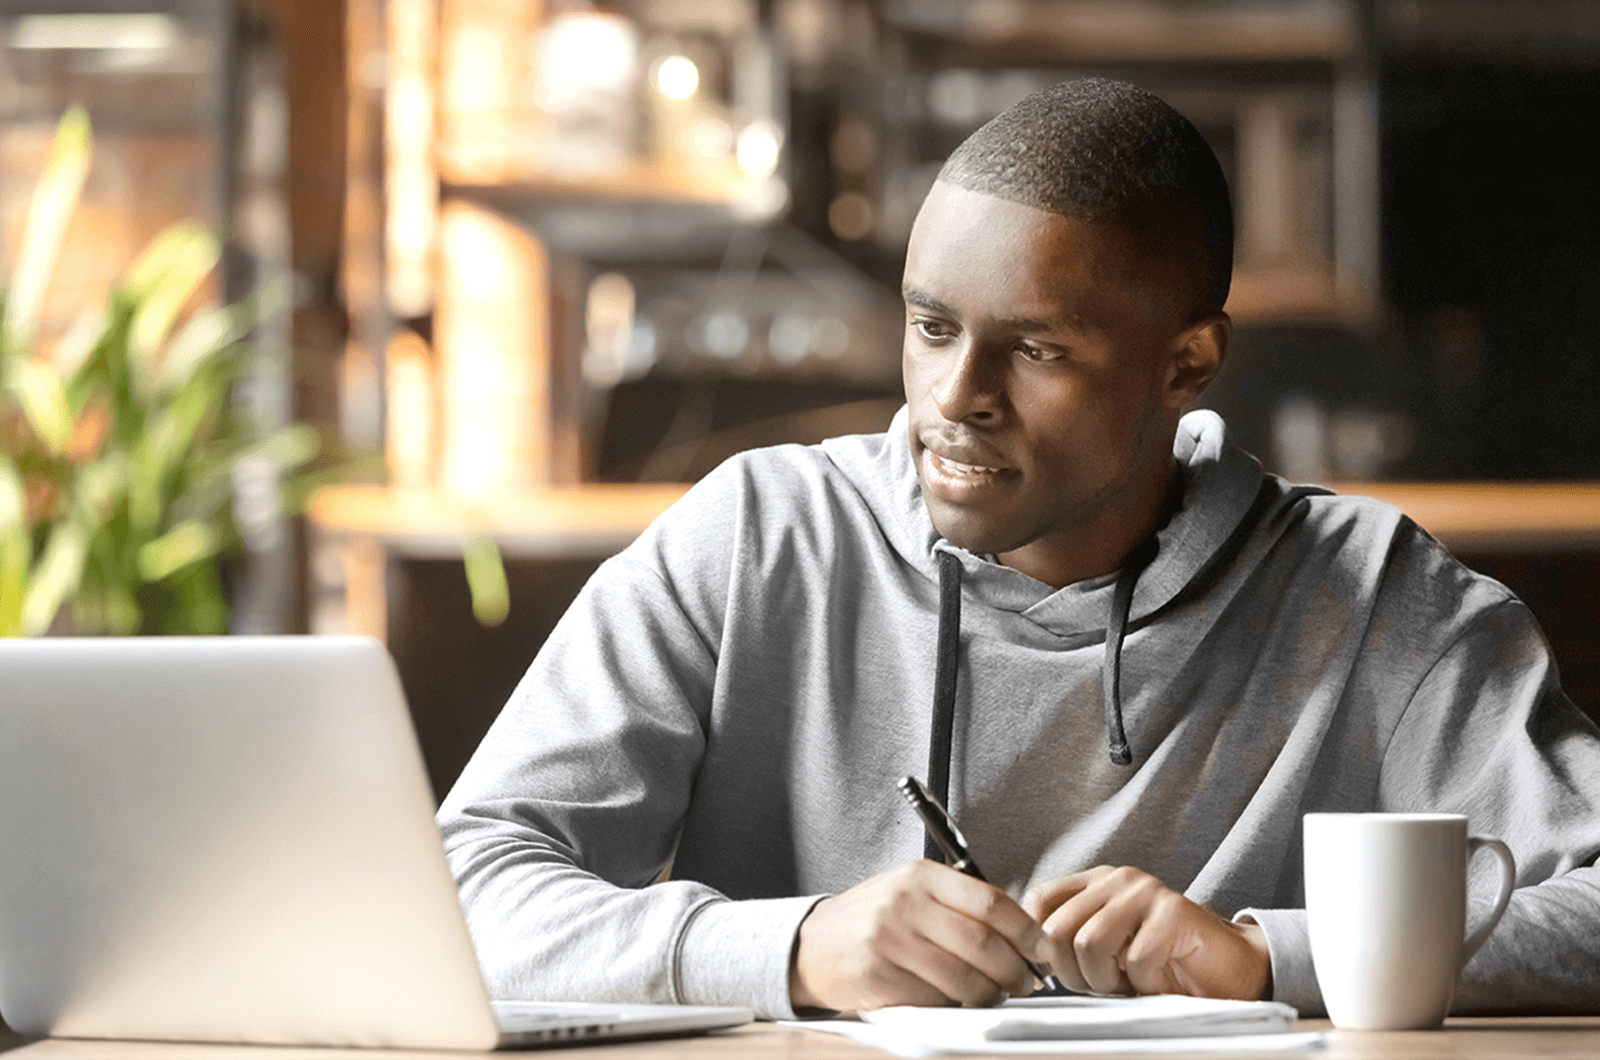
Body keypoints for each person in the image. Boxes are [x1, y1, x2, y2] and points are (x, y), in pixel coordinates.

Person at [436, 78, 1600, 1019]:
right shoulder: (752, 538)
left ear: (1186, 362)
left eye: (1035, 351)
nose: (955, 396)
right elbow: (460, 887)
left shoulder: (1370, 594)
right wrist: (787, 946)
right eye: (930, 327)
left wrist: (1270, 958)